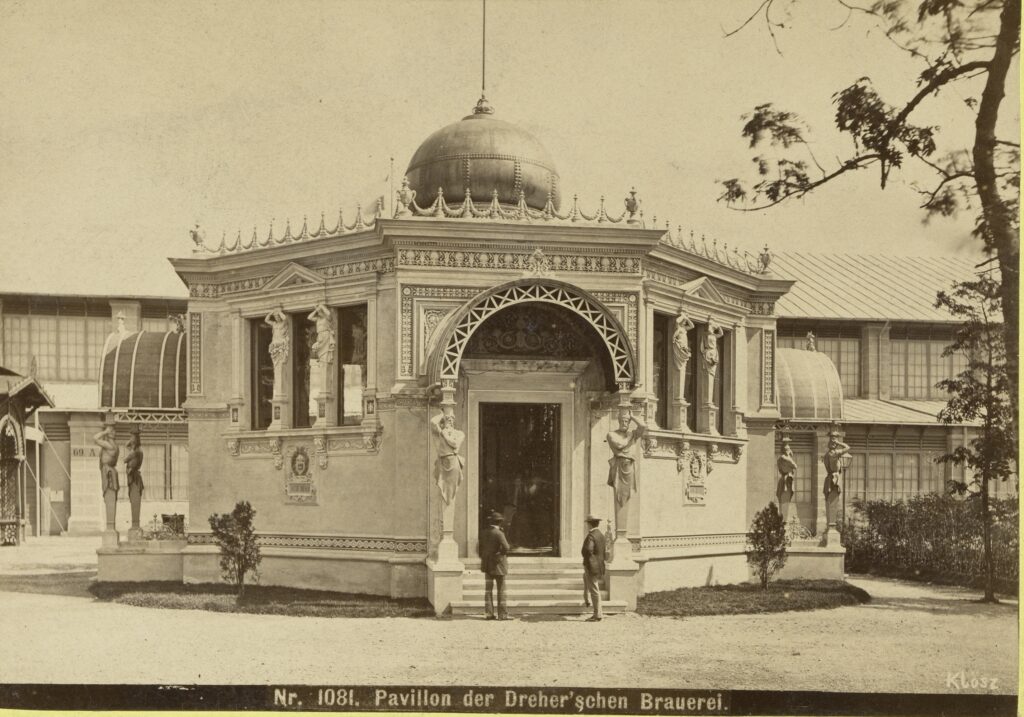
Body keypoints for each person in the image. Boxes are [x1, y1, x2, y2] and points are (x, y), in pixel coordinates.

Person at [606, 408, 647, 507]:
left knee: (629, 495)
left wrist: (632, 417)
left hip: (630, 467)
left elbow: (643, 426)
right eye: (622, 421)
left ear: (629, 423)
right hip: (618, 466)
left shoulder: (632, 434)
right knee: (619, 496)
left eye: (626, 421)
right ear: (619, 421)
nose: (624, 423)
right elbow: (620, 445)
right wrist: (630, 436)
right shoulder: (612, 434)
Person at [478, 511, 510, 620]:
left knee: (488, 590)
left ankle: (489, 613)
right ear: (500, 522)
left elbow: (479, 548)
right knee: (501, 590)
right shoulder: (499, 533)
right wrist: (500, 555)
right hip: (498, 565)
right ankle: (502, 614)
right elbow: (506, 547)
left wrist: (485, 557)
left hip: (487, 565)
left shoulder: (483, 532)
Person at [430, 412, 465, 505]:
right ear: (443, 422)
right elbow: (433, 422)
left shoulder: (459, 433)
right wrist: (442, 414)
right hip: (442, 462)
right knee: (443, 487)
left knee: (451, 489)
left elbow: (455, 444)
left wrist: (445, 435)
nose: (450, 421)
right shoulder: (441, 432)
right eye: (447, 419)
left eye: (451, 419)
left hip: (453, 462)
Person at [581, 514, 606, 622]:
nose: (587, 525)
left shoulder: (591, 536)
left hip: (591, 566)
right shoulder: (601, 535)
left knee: (594, 590)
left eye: (587, 523)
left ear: (590, 524)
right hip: (599, 565)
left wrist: (588, 562)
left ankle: (598, 615)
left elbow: (588, 550)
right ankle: (587, 601)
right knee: (588, 583)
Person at [93, 426, 119, 531]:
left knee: (109, 497)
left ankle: (110, 528)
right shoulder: (115, 445)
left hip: (107, 471)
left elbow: (95, 438)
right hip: (110, 470)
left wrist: (104, 431)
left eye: (111, 431)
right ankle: (110, 526)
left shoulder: (109, 445)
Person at [124, 427, 144, 532]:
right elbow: (127, 445)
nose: (130, 440)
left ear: (135, 440)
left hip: (134, 478)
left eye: (132, 438)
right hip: (133, 476)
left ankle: (135, 525)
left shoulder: (135, 452)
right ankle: (135, 524)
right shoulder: (137, 450)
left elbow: (124, 460)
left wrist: (132, 441)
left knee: (135, 500)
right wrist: (132, 439)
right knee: (134, 499)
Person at [822, 432, 851, 497]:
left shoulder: (827, 454)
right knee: (834, 495)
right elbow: (847, 447)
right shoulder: (835, 452)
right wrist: (838, 442)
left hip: (830, 475)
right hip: (835, 476)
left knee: (830, 496)